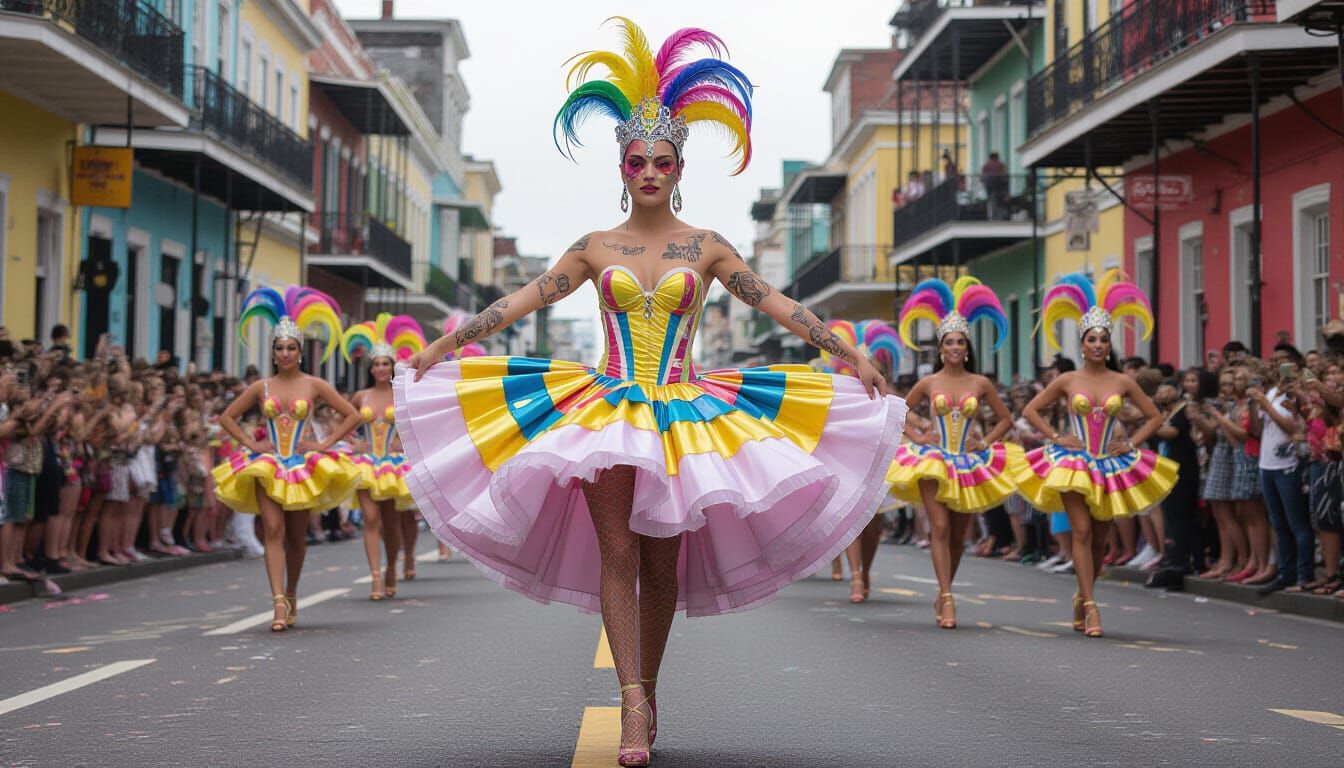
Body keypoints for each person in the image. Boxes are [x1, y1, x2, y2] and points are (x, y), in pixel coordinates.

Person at [397, 19, 907, 767]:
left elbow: (775, 304)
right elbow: (525, 300)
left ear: (678, 169)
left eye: (661, 161)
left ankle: (648, 681)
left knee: (662, 567)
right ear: (622, 167)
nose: (648, 171)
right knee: (618, 555)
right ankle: (631, 704)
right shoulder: (594, 246)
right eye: (637, 159)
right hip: (603, 407)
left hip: (683, 412)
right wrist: (447, 344)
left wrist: (848, 350)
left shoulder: (706, 247)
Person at [1016, 271, 1179, 637]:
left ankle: (1082, 594)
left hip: (1110, 464)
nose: (1098, 345)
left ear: (1109, 345)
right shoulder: (1067, 380)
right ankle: (1091, 607)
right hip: (1074, 464)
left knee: (1101, 539)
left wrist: (1132, 443)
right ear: (1082, 343)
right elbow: (1031, 411)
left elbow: (1154, 416)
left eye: (1104, 339)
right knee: (1083, 530)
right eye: (1092, 339)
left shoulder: (1123, 381)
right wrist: (1057, 436)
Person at [213, 286, 362, 632]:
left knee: (296, 537)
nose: (284, 354)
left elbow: (352, 415)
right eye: (279, 348)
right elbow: (226, 418)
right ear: (273, 352)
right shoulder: (261, 387)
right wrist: (251, 442)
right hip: (268, 465)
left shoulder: (314, 385)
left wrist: (323, 445)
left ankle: (291, 593)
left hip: (300, 466)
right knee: (273, 530)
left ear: (300, 351)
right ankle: (278, 602)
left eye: (290, 348)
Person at [886, 277, 1020, 627]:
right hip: (933, 461)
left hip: (968, 462)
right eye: (950, 342)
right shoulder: (929, 383)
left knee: (959, 535)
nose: (956, 347)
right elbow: (897, 410)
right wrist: (916, 436)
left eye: (961, 341)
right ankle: (947, 598)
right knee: (940, 527)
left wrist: (986, 441)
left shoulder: (981, 383)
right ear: (941, 348)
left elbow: (1006, 419)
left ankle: (944, 589)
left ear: (966, 346)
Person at [341, 314, 426, 600]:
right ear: (371, 367)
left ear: (392, 367)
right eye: (376, 364)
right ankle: (376, 578)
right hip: (367, 464)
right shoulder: (360, 396)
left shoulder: (402, 394)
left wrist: (403, 441)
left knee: (392, 523)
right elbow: (338, 421)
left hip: (392, 465)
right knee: (369, 519)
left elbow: (418, 424)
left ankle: (391, 568)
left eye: (385, 364)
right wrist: (351, 442)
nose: (380, 368)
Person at [816, 319, 902, 603]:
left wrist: (922, 432)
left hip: (875, 470)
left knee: (872, 527)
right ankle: (855, 576)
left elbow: (905, 419)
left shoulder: (884, 395)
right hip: (849, 469)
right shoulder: (841, 396)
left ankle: (864, 573)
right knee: (852, 521)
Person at [980, 152, 1008, 220]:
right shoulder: (1000, 165)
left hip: (989, 186)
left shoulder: (986, 165)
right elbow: (1005, 176)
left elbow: (982, 177)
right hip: (1000, 186)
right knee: (1000, 202)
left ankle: (991, 216)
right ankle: (999, 217)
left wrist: (984, 182)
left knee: (991, 200)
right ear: (997, 157)